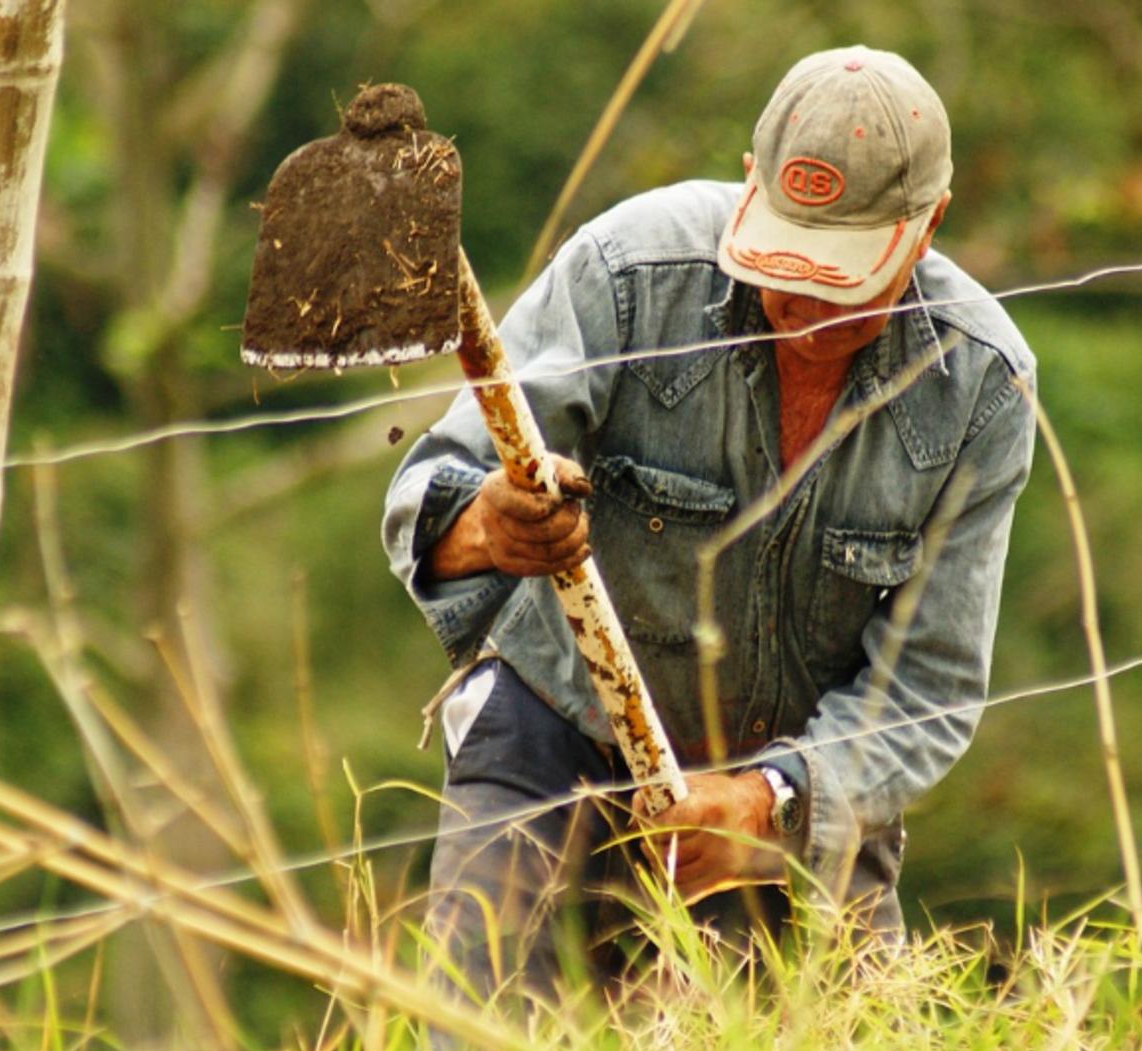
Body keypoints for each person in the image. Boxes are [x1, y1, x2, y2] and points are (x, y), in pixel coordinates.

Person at [382, 45, 1036, 996]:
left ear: (928, 226)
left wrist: (765, 805)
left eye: (843, 280)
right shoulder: (629, 273)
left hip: (793, 795)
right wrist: (491, 526)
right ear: (751, 185)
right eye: (786, 267)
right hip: (554, 737)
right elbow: (432, 496)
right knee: (480, 1045)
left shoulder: (981, 386)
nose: (806, 307)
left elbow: (927, 687)